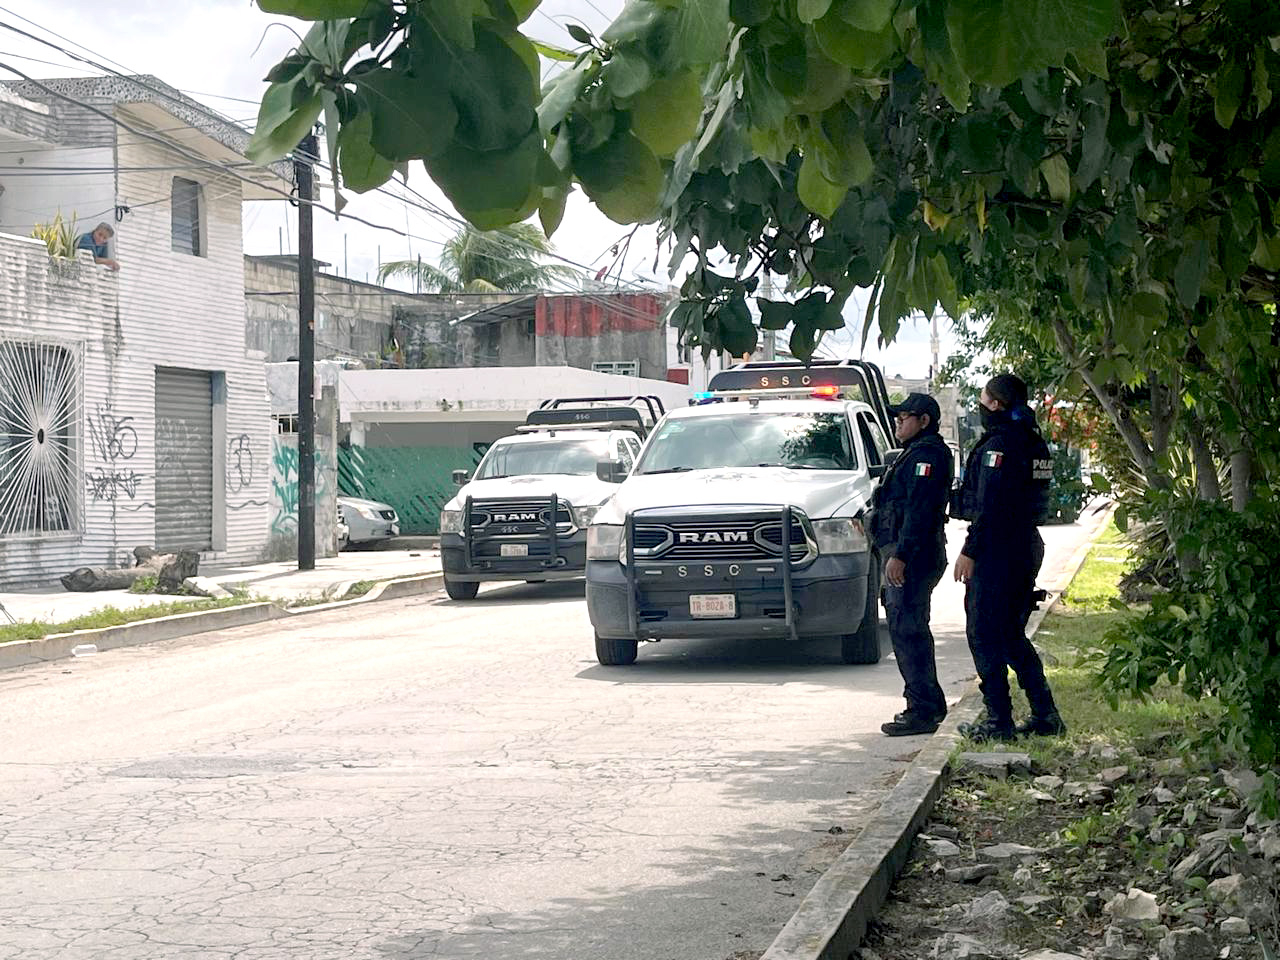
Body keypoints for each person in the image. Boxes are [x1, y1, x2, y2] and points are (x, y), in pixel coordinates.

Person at [952, 374, 1065, 741]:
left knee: (985, 634)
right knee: (1010, 635)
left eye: (983, 399)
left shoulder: (999, 446)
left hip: (999, 550)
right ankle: (1045, 714)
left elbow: (991, 506)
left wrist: (970, 551)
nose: (981, 406)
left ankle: (998, 720)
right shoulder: (1034, 443)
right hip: (1025, 544)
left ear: (995, 404)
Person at [872, 393, 954, 737]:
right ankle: (927, 703)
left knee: (909, 631)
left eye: (904, 417)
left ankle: (921, 709)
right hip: (908, 554)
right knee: (908, 629)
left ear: (924, 421)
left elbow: (920, 512)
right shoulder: (912, 454)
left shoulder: (928, 456)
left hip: (914, 557)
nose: (898, 423)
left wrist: (901, 555)